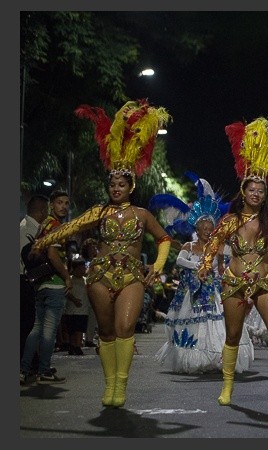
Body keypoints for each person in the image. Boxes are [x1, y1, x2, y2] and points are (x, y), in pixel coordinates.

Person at [33, 99, 172, 406]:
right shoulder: (98, 212)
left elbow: (164, 239)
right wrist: (44, 240)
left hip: (132, 275)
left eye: (121, 184)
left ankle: (121, 386)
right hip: (100, 274)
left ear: (131, 186)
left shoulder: (141, 214)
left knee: (125, 328)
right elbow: (69, 229)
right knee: (106, 332)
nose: (116, 188)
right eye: (113, 184)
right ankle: (108, 385)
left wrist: (157, 267)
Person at [198, 103, 268, 404]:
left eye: (261, 191)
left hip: (264, 281)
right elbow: (213, 244)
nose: (257, 194)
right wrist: (207, 264)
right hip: (234, 281)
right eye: (252, 190)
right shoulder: (230, 220)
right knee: (232, 335)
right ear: (244, 191)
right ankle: (227, 386)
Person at [150, 173, 254, 374]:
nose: (207, 230)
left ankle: (218, 358)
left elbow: (235, 256)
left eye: (210, 228)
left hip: (215, 293)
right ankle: (196, 359)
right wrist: (199, 267)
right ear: (196, 228)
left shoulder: (218, 247)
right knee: (197, 326)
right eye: (203, 227)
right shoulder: (189, 246)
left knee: (217, 324)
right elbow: (180, 260)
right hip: (193, 293)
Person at [21, 189, 72, 385]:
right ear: (52, 205)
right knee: (49, 330)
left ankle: (24, 369)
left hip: (40, 283)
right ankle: (44, 370)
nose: (64, 207)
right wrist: (67, 277)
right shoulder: (56, 226)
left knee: (36, 329)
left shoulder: (43, 225)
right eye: (60, 202)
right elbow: (52, 254)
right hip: (54, 283)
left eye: (67, 203)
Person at [20, 194, 49, 362]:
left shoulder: (32, 228)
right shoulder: (26, 229)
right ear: (42, 210)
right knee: (25, 324)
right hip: (22, 281)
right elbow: (26, 257)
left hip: (26, 281)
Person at [64, 257, 90, 355]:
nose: (82, 271)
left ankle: (77, 345)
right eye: (80, 269)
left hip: (83, 310)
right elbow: (66, 292)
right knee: (71, 329)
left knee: (80, 329)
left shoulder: (86, 281)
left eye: (83, 268)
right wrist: (74, 300)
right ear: (74, 269)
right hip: (71, 309)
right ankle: (72, 345)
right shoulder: (70, 280)